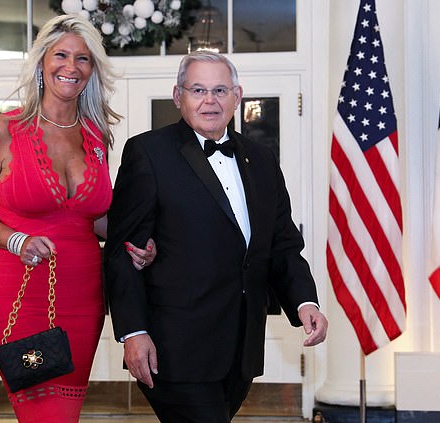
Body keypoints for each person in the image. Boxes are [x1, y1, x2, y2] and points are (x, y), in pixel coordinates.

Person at [104, 51, 328, 423]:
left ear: (237, 96)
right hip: (174, 348)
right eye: (198, 90)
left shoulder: (262, 158)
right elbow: (121, 251)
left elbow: (281, 244)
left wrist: (305, 301)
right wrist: (133, 331)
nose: (210, 100)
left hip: (241, 349)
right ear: (179, 97)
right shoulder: (148, 153)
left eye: (220, 90)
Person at [0, 15, 156, 423]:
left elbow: (93, 218)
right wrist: (17, 240)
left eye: (83, 58)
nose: (71, 66)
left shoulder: (96, 135)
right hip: (19, 292)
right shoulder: (3, 130)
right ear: (41, 63)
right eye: (61, 54)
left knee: (66, 412)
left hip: (83, 297)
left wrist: (134, 242)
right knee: (45, 416)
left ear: (92, 70)